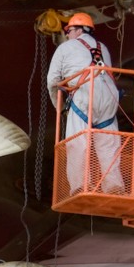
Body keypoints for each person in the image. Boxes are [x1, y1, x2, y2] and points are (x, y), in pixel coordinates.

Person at [46, 12, 124, 195]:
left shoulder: (65, 47)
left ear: (79, 29)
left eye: (69, 30)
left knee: (77, 142)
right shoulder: (102, 47)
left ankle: (80, 185)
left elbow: (52, 81)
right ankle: (114, 186)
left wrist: (59, 108)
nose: (66, 35)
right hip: (110, 97)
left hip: (84, 94)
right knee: (108, 143)